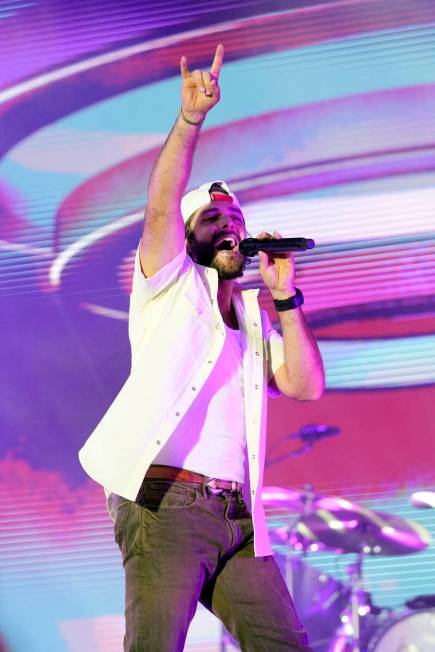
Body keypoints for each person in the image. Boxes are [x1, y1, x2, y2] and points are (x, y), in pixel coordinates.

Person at [79, 44, 324, 651]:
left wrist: (284, 298)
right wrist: (191, 120)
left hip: (239, 519)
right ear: (187, 236)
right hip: (166, 504)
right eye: (214, 219)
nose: (231, 226)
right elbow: (162, 201)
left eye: (236, 218)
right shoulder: (167, 284)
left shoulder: (247, 317)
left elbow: (305, 386)